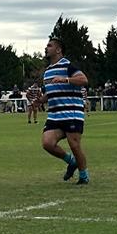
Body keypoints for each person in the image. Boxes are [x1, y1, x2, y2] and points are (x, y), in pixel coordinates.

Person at [36, 38, 91, 184]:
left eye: (49, 45)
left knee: (74, 145)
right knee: (47, 143)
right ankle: (71, 162)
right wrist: (41, 100)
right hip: (54, 115)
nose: (46, 48)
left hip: (71, 112)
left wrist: (66, 79)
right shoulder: (47, 71)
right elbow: (52, 91)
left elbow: (83, 80)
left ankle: (84, 175)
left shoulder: (68, 66)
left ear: (58, 49)